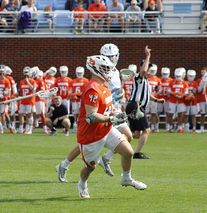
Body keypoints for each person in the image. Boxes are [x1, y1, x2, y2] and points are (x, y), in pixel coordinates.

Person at [55, 43, 134, 182]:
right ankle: (64, 165)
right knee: (85, 143)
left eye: (113, 56)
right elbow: (98, 93)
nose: (111, 59)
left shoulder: (115, 72)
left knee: (128, 136)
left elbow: (109, 92)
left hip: (111, 110)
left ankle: (106, 159)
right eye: (108, 56)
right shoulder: (100, 73)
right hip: (101, 113)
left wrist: (119, 97)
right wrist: (115, 97)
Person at [76, 55, 146, 199]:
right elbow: (91, 116)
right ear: (96, 69)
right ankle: (82, 184)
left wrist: (120, 113)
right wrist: (113, 118)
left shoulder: (104, 86)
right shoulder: (92, 89)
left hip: (106, 129)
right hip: (91, 135)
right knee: (90, 167)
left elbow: (108, 108)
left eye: (109, 69)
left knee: (128, 152)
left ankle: (126, 178)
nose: (109, 72)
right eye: (105, 69)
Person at [126, 46, 165, 159]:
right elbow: (143, 71)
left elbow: (147, 95)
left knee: (136, 134)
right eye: (148, 67)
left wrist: (157, 100)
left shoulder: (145, 80)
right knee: (146, 130)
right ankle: (137, 153)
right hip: (136, 106)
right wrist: (147, 56)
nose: (148, 69)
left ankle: (116, 139)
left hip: (134, 106)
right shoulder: (139, 77)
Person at [166, 68, 188, 133]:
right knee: (170, 114)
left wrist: (181, 95)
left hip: (180, 101)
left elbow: (186, 91)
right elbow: (168, 90)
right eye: (177, 76)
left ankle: (179, 127)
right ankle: (170, 127)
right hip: (172, 100)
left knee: (180, 114)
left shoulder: (184, 83)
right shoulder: (171, 82)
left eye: (179, 76)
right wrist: (174, 94)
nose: (178, 77)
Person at [18, 66, 36, 134]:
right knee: (20, 114)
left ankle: (30, 129)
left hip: (30, 101)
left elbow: (33, 89)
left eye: (27, 74)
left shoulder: (32, 81)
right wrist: (15, 94)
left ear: (30, 74)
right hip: (23, 100)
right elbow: (19, 91)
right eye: (25, 74)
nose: (26, 75)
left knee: (29, 115)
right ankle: (20, 129)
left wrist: (28, 81)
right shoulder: (21, 81)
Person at [70, 66, 89, 133]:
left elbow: (86, 91)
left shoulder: (86, 81)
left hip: (82, 100)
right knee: (75, 113)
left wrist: (78, 94)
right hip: (75, 100)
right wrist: (73, 96)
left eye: (80, 73)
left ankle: (82, 126)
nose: (79, 74)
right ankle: (75, 125)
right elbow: (70, 92)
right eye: (78, 73)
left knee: (82, 113)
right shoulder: (73, 81)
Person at [32, 68, 49, 134]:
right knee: (34, 113)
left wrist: (36, 91)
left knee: (42, 114)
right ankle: (32, 127)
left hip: (40, 99)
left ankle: (45, 128)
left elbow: (43, 89)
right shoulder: (32, 80)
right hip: (34, 99)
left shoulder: (40, 80)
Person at [146, 64, 160, 133]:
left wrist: (155, 94)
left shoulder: (157, 79)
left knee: (154, 113)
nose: (152, 72)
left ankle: (152, 127)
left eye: (153, 71)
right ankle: (145, 126)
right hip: (147, 97)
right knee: (145, 112)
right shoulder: (146, 77)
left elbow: (160, 89)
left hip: (154, 98)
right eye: (151, 70)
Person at [157, 67, 172, 132]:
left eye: (166, 74)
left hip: (167, 99)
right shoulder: (158, 79)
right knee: (157, 113)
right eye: (164, 74)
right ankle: (156, 127)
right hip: (159, 99)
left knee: (168, 114)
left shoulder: (171, 80)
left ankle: (167, 127)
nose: (165, 75)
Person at [4, 65, 18, 131]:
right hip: (4, 97)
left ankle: (13, 125)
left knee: (12, 112)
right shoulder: (1, 79)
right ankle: (5, 125)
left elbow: (14, 88)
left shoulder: (10, 79)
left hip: (10, 97)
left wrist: (13, 95)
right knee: (4, 112)